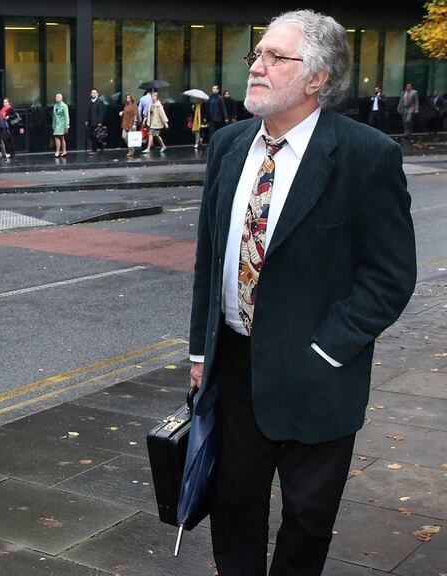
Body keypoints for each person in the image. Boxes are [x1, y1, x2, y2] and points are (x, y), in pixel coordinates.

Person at [188, 11, 416, 575]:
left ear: (317, 78)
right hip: (235, 367)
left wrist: (327, 350)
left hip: (320, 372)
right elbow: (209, 256)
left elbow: (389, 276)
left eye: (275, 58)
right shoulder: (228, 145)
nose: (257, 67)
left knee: (308, 519)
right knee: (234, 506)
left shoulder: (367, 155)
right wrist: (201, 352)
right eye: (256, 56)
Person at [85, 89, 107, 154]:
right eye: (92, 93)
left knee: (95, 136)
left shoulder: (99, 102)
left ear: (97, 94)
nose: (93, 94)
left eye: (94, 93)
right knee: (91, 135)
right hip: (91, 122)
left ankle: (94, 150)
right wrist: (87, 120)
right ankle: (100, 146)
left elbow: (101, 113)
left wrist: (100, 122)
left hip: (97, 122)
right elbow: (88, 112)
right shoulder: (90, 102)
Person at [119, 93, 139, 158]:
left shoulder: (134, 105)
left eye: (129, 98)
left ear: (131, 98)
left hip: (131, 123)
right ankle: (131, 148)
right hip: (125, 122)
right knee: (124, 136)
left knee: (130, 138)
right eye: (127, 98)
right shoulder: (126, 105)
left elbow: (135, 114)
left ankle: (131, 150)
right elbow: (126, 112)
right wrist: (122, 112)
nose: (127, 99)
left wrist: (134, 124)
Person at [51, 93, 70, 158]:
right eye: (56, 97)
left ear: (61, 98)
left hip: (62, 124)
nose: (57, 98)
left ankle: (57, 151)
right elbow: (54, 116)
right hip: (56, 124)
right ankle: (64, 151)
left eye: (58, 97)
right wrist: (53, 124)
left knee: (56, 137)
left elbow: (66, 116)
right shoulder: (55, 106)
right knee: (61, 137)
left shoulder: (64, 106)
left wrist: (67, 126)